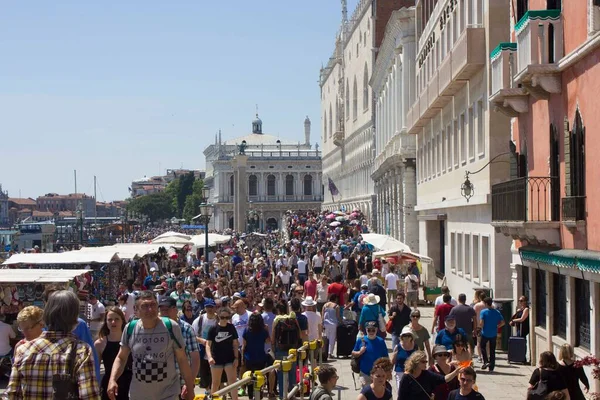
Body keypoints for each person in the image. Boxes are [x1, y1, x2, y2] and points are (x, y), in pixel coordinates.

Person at [6, 290, 100, 399]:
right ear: (75, 319)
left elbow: (12, 395)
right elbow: (89, 396)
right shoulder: (82, 351)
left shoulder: (23, 349)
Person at [107, 290, 195, 400]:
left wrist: (190, 388)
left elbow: (182, 359)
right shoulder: (130, 328)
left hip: (168, 394)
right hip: (138, 395)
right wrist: (112, 379)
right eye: (145, 306)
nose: (150, 309)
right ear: (136, 310)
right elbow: (121, 357)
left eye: (153, 305)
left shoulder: (171, 327)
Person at [159, 297, 201, 388]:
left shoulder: (186, 329)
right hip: (161, 384)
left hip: (182, 383)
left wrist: (190, 382)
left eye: (166, 310)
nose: (164, 313)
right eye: (162, 310)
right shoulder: (156, 330)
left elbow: (195, 358)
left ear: (175, 309)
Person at [94, 307, 132, 400]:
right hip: (109, 385)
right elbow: (96, 369)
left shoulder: (131, 340)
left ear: (122, 321)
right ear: (106, 322)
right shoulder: (99, 344)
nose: (113, 322)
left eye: (116, 319)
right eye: (110, 320)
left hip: (130, 384)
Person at [398, 350, 462, 400]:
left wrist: (456, 372)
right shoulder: (407, 377)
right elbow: (401, 397)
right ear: (416, 363)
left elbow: (444, 379)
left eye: (426, 361)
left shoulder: (427, 374)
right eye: (423, 362)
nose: (426, 363)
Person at [206, 307, 240, 400]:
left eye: (227, 317)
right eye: (222, 317)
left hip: (229, 358)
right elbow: (208, 345)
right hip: (216, 358)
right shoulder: (213, 329)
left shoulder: (231, 327)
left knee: (232, 381)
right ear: (218, 317)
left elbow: (235, 343)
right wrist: (209, 357)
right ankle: (214, 398)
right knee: (216, 382)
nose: (224, 319)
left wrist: (236, 358)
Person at [351, 321, 389, 387]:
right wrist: (360, 352)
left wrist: (387, 371)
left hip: (378, 374)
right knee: (366, 394)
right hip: (365, 373)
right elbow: (353, 353)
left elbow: (386, 357)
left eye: (373, 330)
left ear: (376, 330)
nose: (371, 332)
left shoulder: (381, 341)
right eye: (369, 330)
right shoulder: (361, 340)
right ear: (366, 330)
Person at [242, 313, 270, 400]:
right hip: (260, 357)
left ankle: (250, 395)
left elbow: (244, 345)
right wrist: (267, 330)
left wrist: (242, 358)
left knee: (249, 377)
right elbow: (268, 341)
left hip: (249, 357)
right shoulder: (263, 331)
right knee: (259, 376)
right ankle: (259, 393)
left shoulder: (246, 330)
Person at [192, 298, 218, 390]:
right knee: (204, 374)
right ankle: (207, 391)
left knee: (215, 374)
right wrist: (202, 341)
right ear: (205, 308)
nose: (209, 309)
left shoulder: (219, 319)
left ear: (215, 307)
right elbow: (193, 336)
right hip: (203, 351)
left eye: (211, 307)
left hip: (216, 351)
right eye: (208, 307)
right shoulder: (199, 320)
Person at [479, 297, 504, 372]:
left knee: (482, 346)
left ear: (486, 304)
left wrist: (480, 328)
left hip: (485, 333)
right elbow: (503, 322)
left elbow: (481, 323)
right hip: (493, 333)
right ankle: (491, 367)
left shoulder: (483, 312)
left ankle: (486, 361)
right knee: (492, 350)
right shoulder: (497, 312)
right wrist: (497, 326)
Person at [391, 326, 417, 392]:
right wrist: (389, 372)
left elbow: (418, 360)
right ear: (402, 337)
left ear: (411, 337)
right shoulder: (398, 347)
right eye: (405, 335)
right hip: (400, 372)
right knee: (401, 392)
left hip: (412, 372)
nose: (407, 337)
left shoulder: (415, 347)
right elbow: (393, 360)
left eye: (409, 335)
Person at [322, 293, 343, 359]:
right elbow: (338, 316)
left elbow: (322, 315)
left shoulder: (325, 305)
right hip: (333, 324)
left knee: (326, 339)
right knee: (332, 339)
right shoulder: (336, 306)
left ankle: (325, 351)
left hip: (326, 323)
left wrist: (322, 323)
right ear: (335, 299)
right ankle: (330, 353)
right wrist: (342, 321)